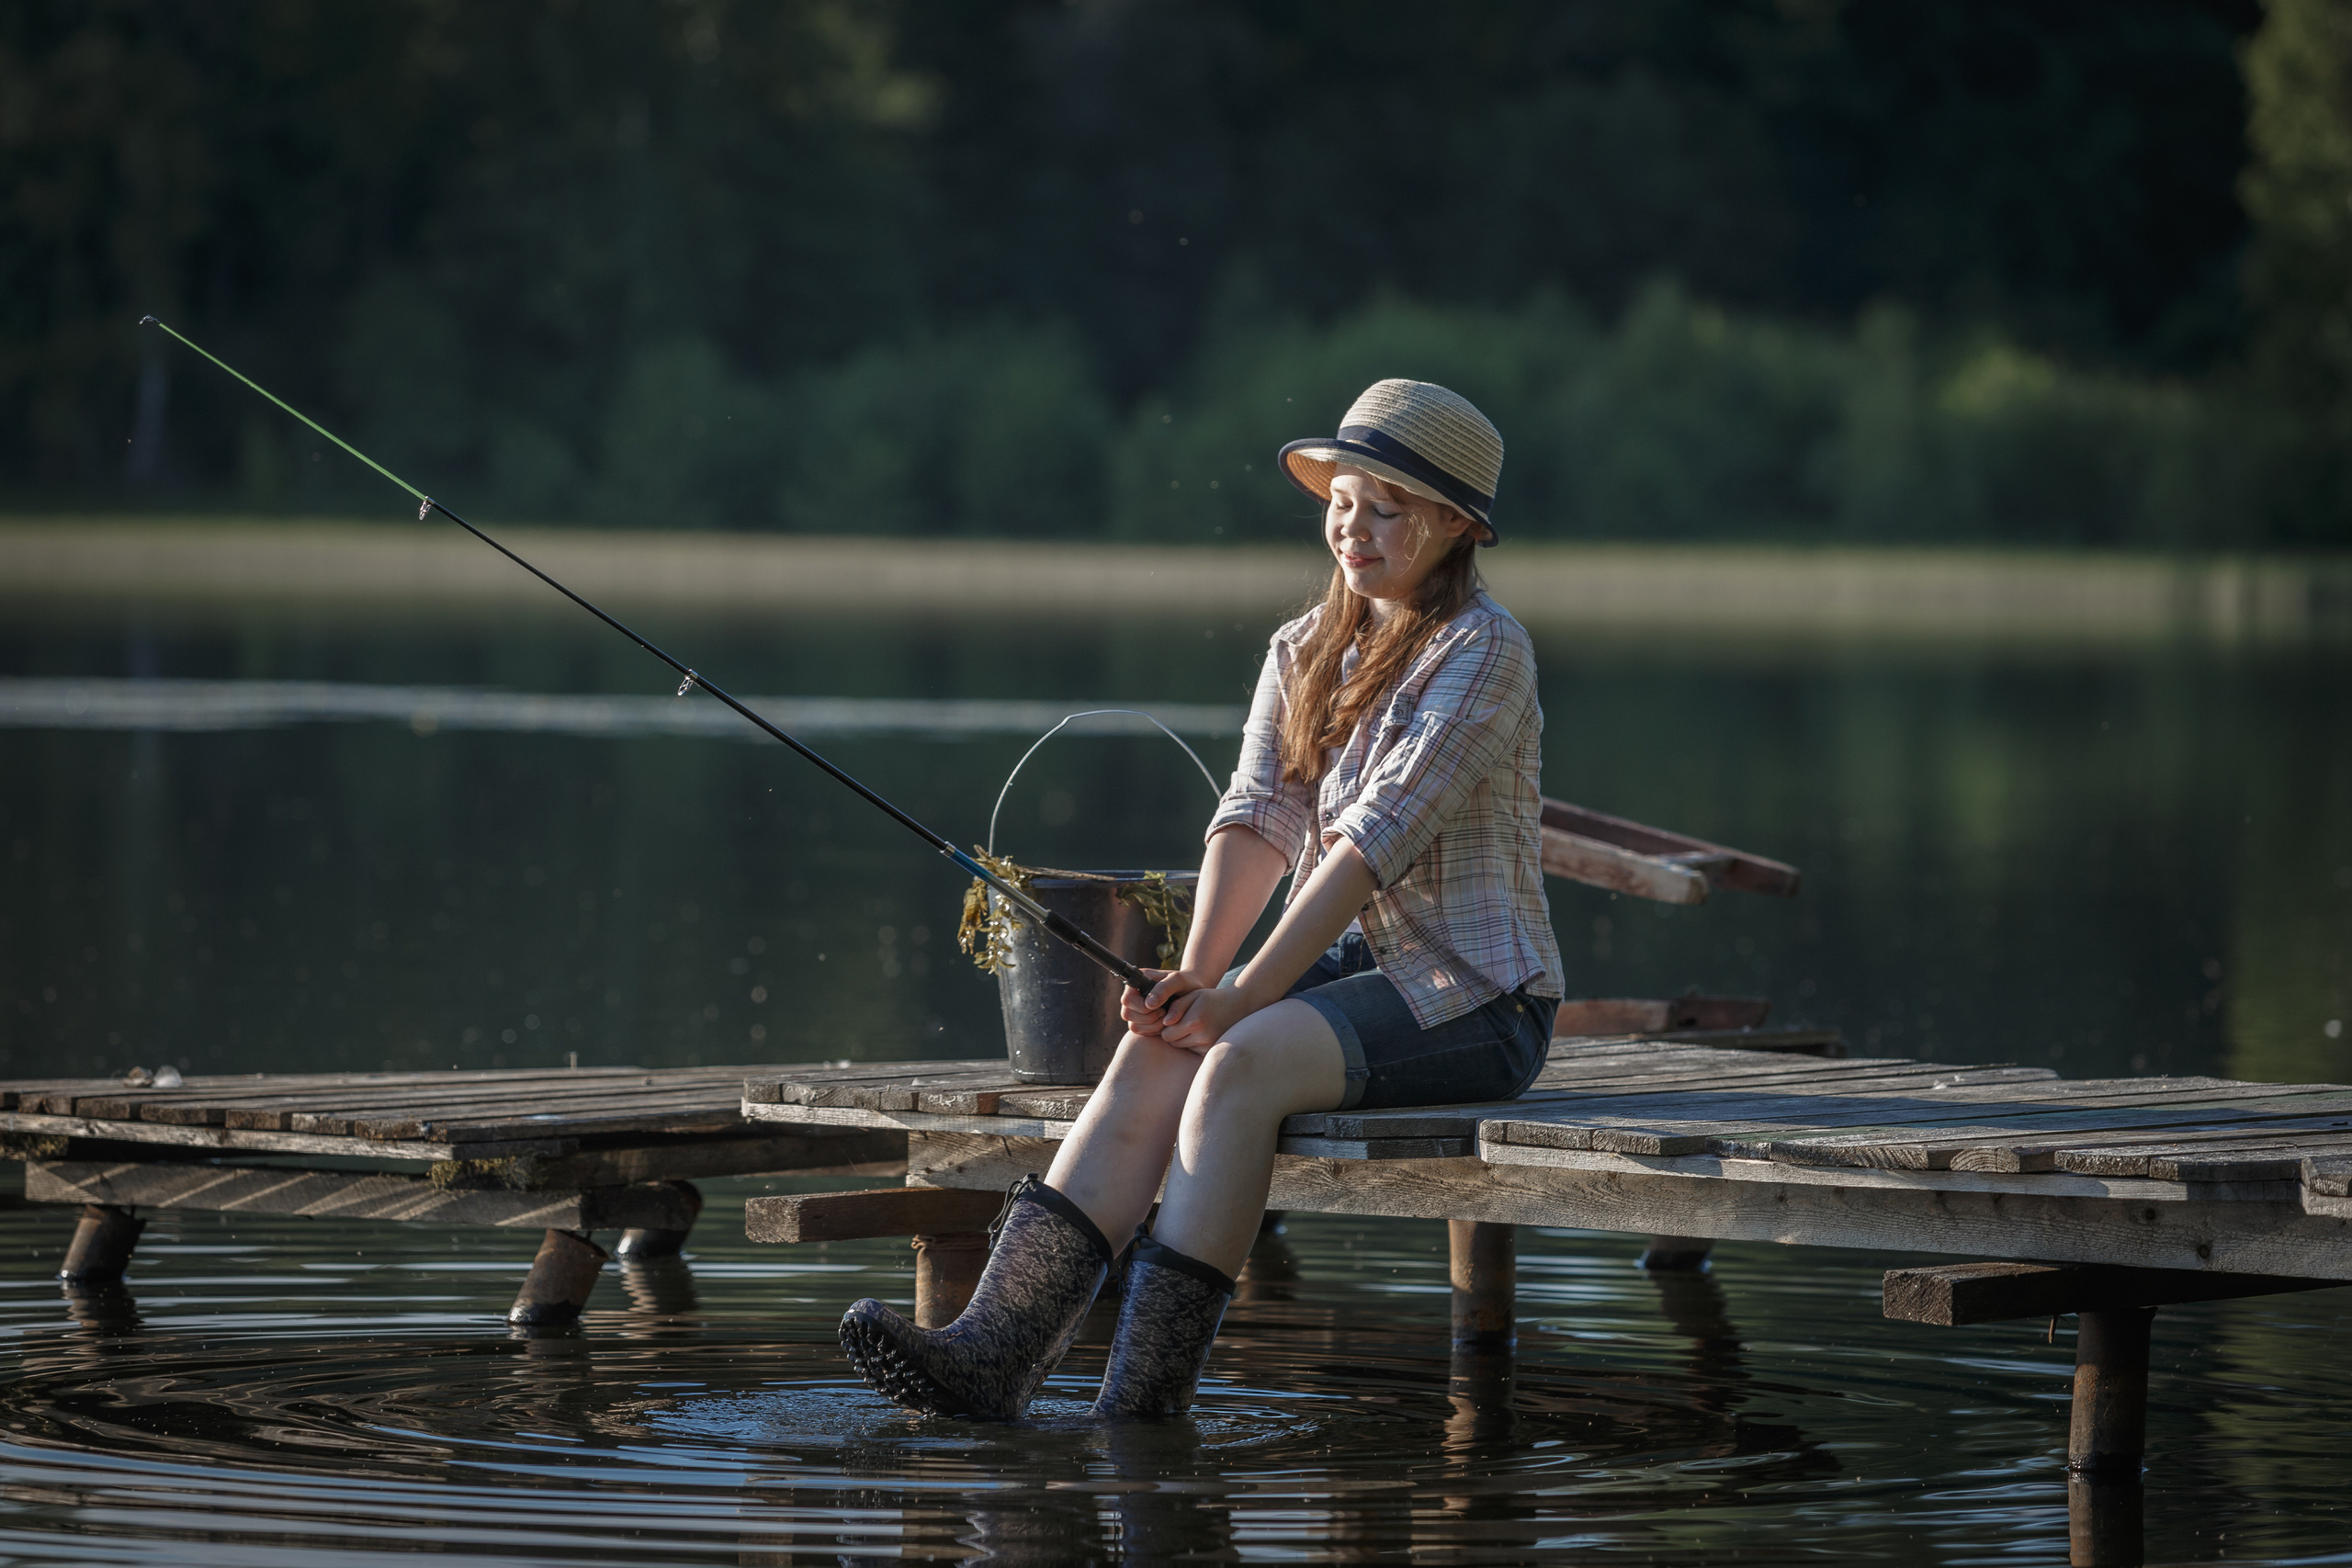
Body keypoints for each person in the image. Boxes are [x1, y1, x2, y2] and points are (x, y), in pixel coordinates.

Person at [841, 378, 1563, 1420]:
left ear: (1456, 527)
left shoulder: (1484, 650)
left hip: (1480, 998)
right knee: (1167, 1041)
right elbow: (1258, 818)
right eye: (1342, 500)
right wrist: (1199, 979)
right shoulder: (1302, 648)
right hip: (1359, 976)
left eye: (1388, 509)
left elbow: (1368, 849)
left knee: (1235, 1064)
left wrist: (1241, 1000)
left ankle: (1140, 1405)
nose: (1352, 528)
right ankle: (991, 1356)